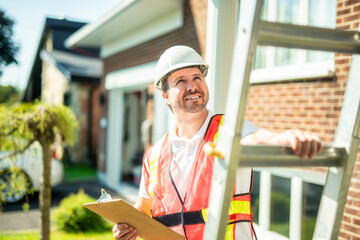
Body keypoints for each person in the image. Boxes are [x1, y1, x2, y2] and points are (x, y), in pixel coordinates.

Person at [113, 46, 322, 240]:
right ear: (166, 96)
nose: (192, 85)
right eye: (181, 81)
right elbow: (143, 207)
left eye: (197, 77)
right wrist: (126, 226)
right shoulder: (155, 154)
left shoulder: (228, 129)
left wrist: (283, 138)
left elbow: (255, 139)